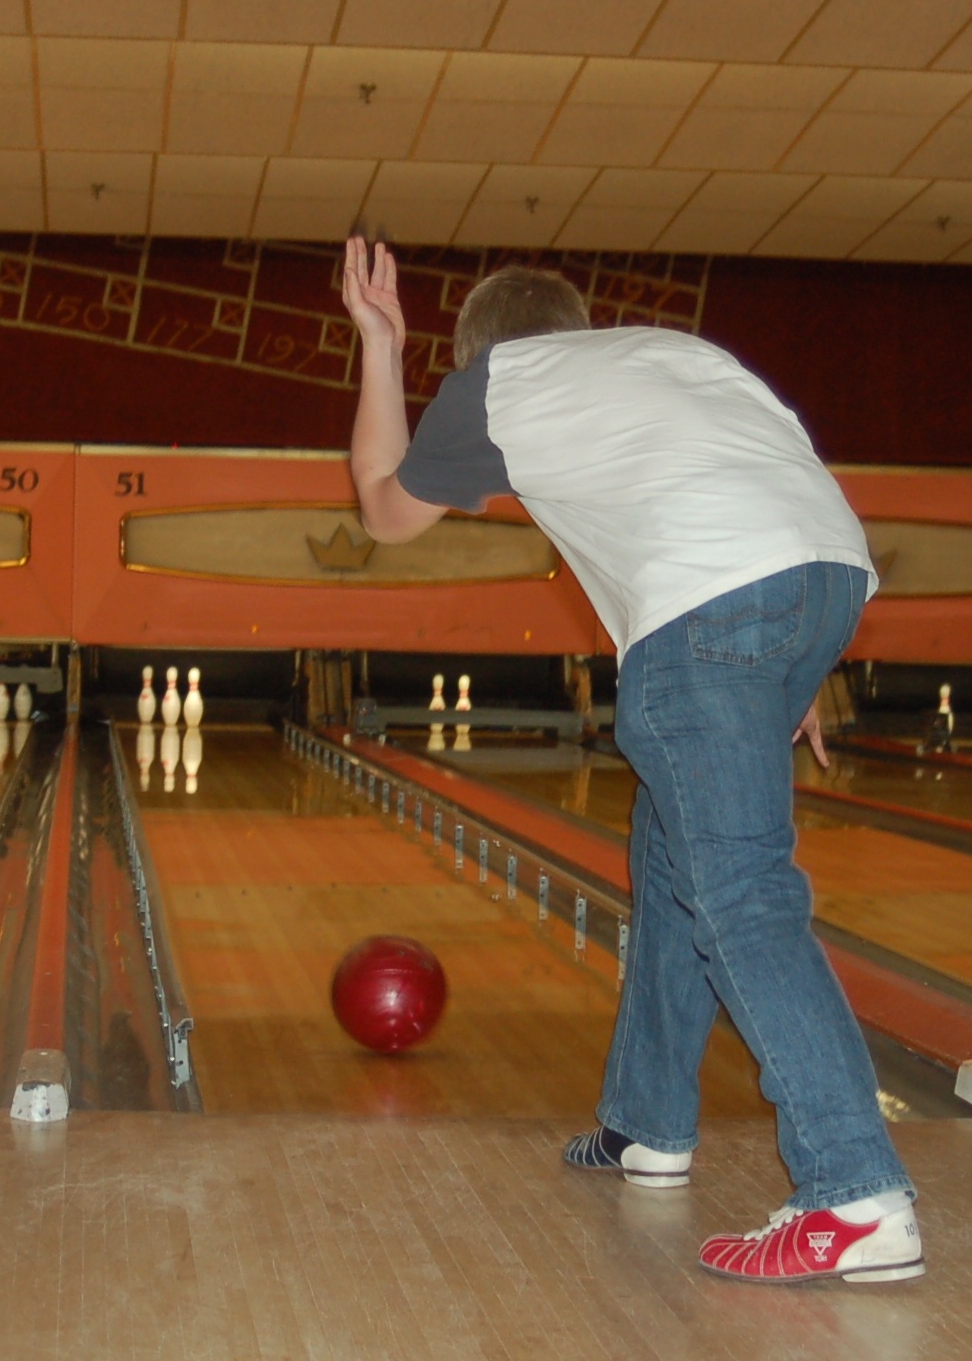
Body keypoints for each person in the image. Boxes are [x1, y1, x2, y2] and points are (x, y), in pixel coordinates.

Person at [339, 236, 920, 1286]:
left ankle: (853, 1191)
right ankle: (648, 1123)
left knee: (740, 895)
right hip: (826, 574)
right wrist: (790, 666)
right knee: (669, 844)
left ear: (478, 351)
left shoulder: (497, 381)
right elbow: (774, 489)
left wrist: (380, 344)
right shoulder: (678, 353)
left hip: (706, 607)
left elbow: (383, 509)